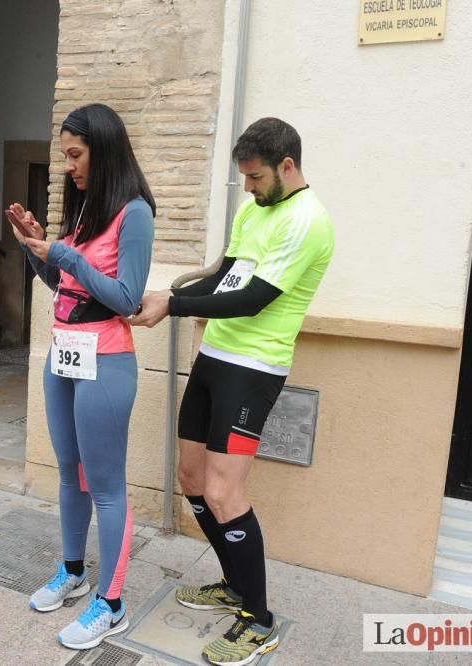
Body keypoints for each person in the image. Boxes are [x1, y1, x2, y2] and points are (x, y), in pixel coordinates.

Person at [131, 117, 334, 665]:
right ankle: (234, 584)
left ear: (286, 166)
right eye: (244, 177)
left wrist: (174, 306)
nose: (247, 187)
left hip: (254, 369)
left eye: (255, 176)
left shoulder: (308, 221)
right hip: (214, 358)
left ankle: (258, 618)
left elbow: (253, 300)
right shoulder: (255, 210)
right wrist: (163, 292)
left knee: (224, 494)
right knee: (191, 478)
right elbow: (226, 278)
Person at [7, 103, 154, 650]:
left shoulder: (135, 213)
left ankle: (111, 604)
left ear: (104, 149)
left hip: (107, 360)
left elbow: (126, 298)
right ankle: (74, 572)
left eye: (76, 154)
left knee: (107, 487)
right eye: (65, 155)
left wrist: (66, 253)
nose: (68, 166)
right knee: (69, 472)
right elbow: (63, 283)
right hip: (64, 356)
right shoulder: (88, 210)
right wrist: (35, 245)